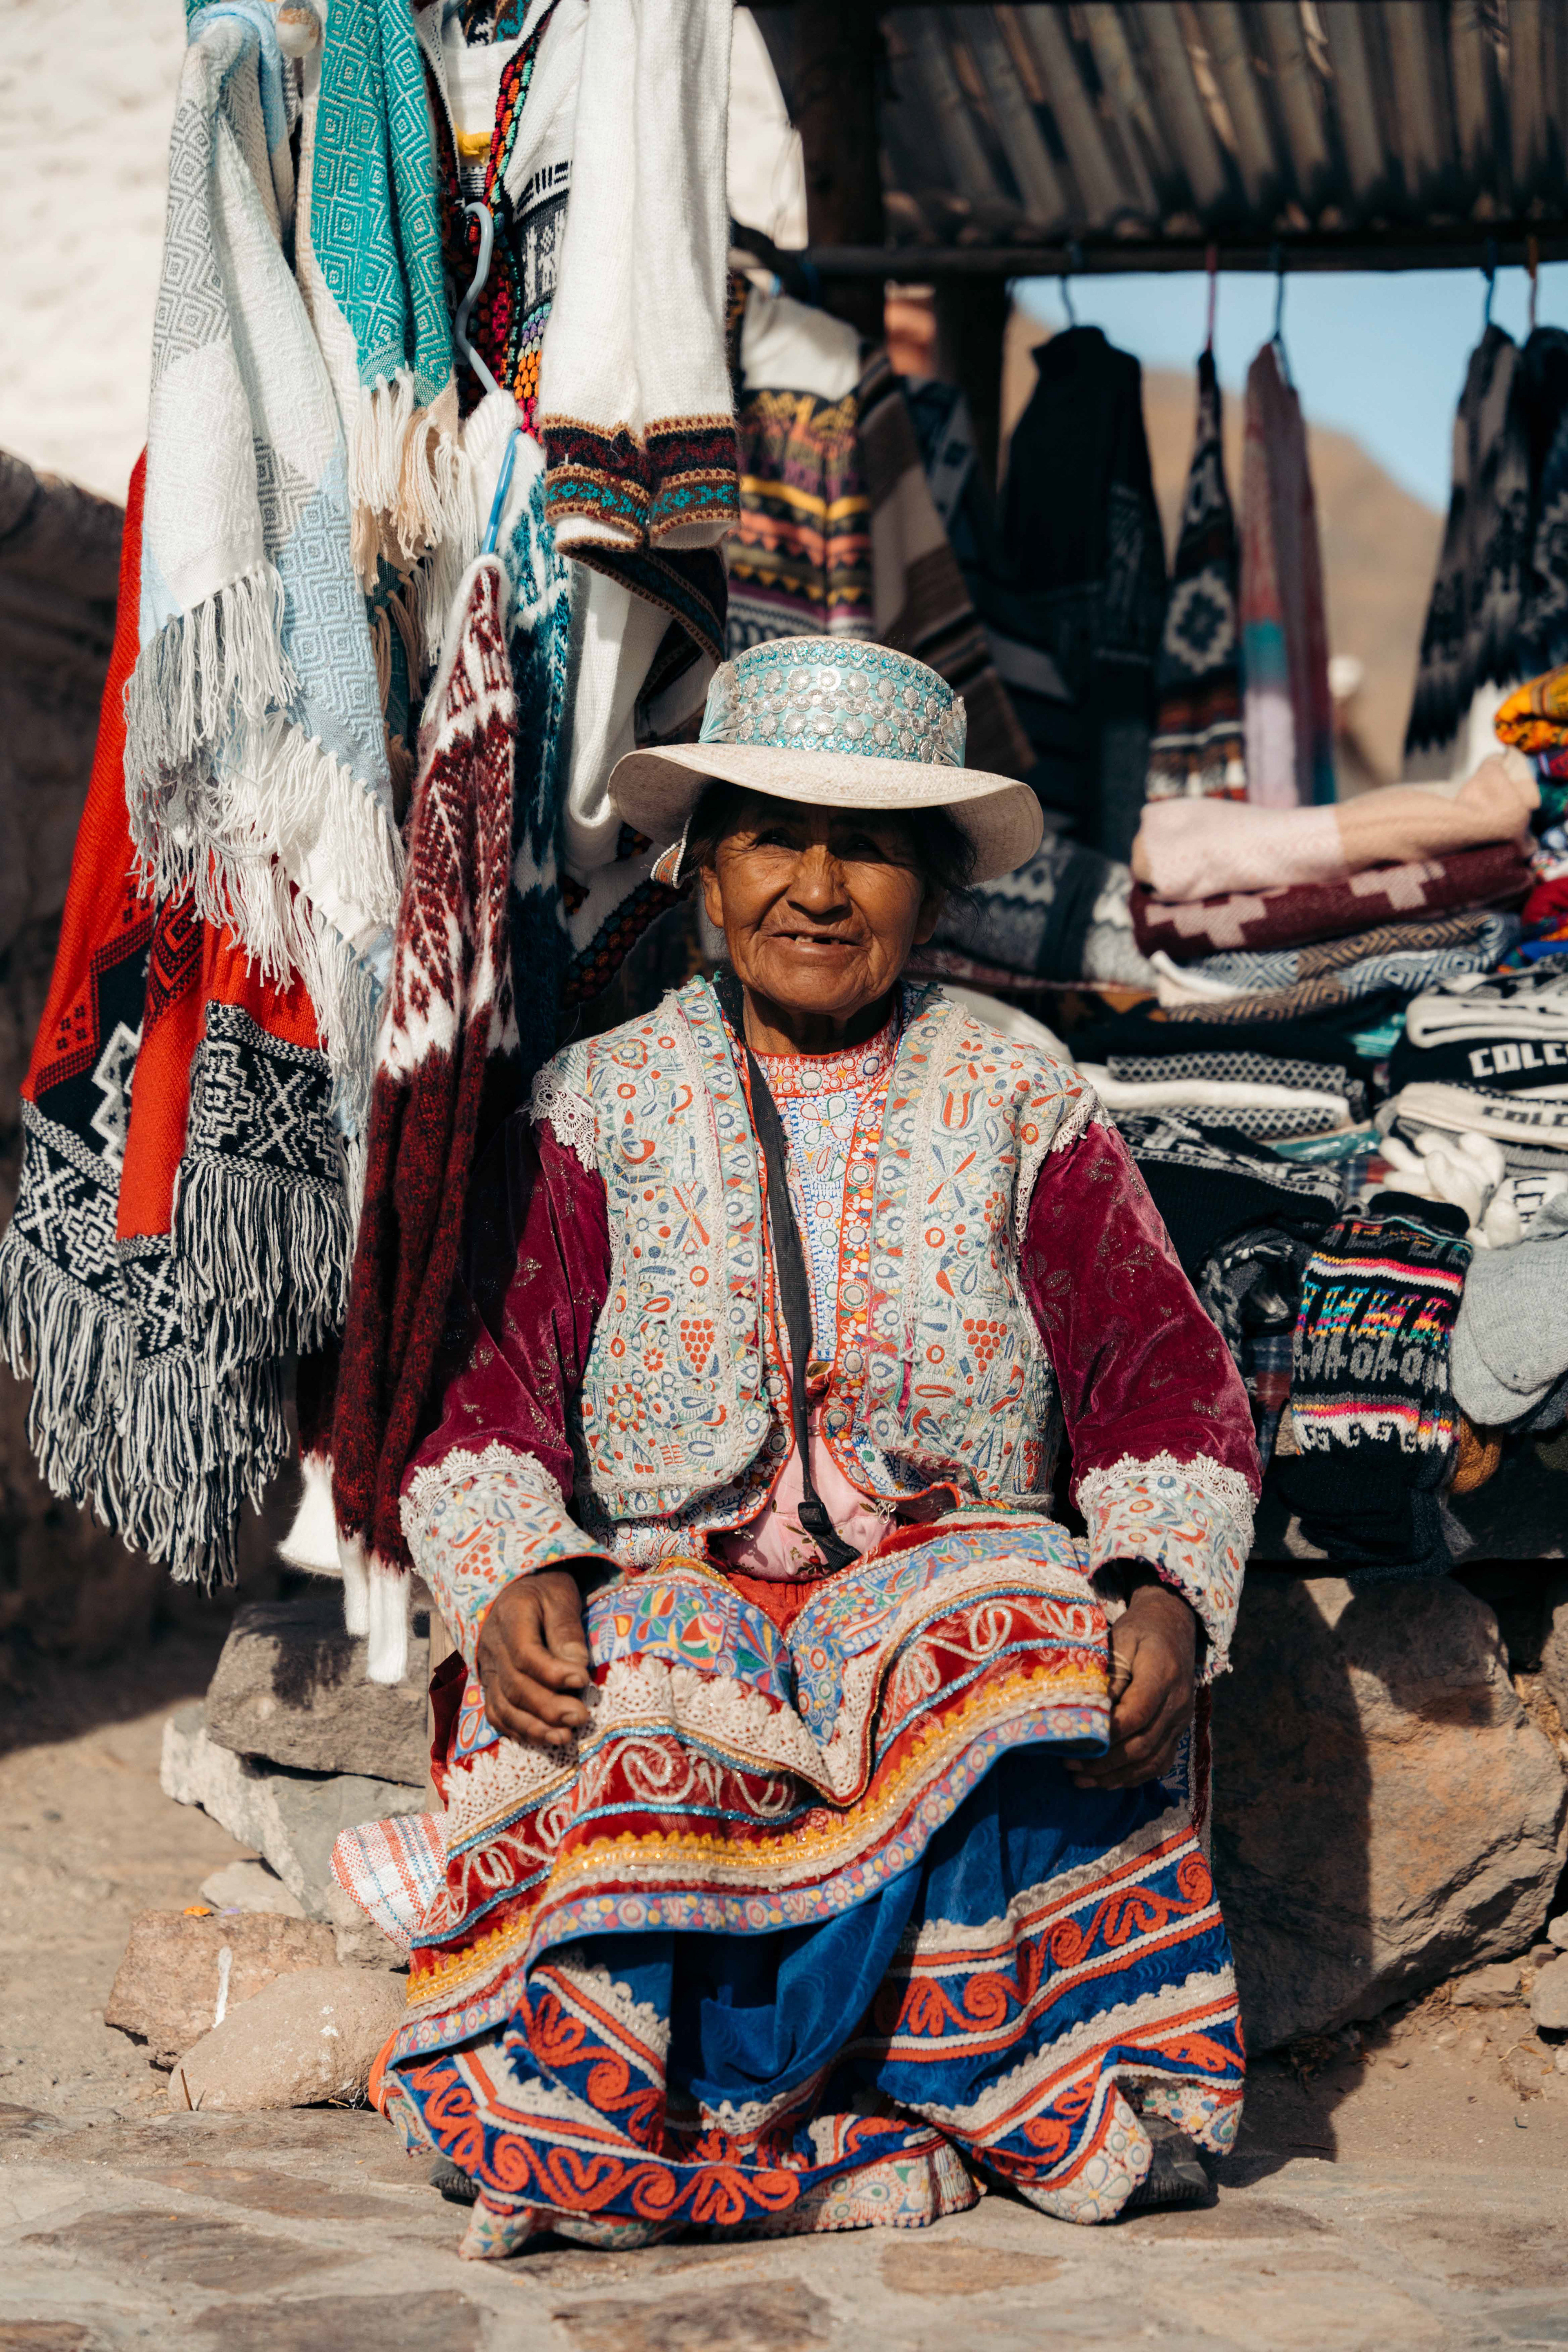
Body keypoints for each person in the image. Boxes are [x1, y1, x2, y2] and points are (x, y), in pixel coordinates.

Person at [336, 637, 1261, 2258]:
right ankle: (678, 2103)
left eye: (872, 846)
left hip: (939, 1585)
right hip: (672, 1581)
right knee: (654, 1664)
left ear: (929, 888)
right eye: (775, 835)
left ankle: (992, 2082)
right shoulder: (599, 1103)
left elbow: (1159, 1369)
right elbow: (488, 1387)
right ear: (705, 876)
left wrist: (1166, 1588)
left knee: (1036, 1655)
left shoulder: (1018, 1095)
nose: (820, 886)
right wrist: (510, 1577)